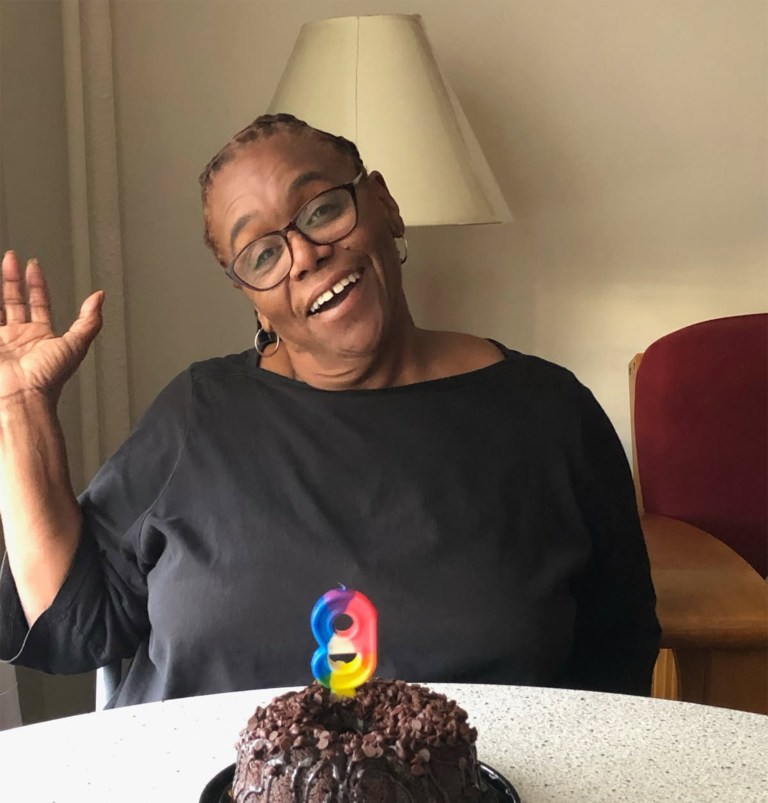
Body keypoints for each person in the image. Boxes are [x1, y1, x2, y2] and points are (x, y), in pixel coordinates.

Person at [0, 113, 659, 708]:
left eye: (320, 211)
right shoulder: (199, 415)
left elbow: (617, 656)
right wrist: (21, 408)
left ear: (384, 203)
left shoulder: (550, 414)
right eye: (261, 253)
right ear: (251, 296)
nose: (306, 255)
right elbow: (75, 627)